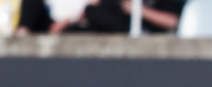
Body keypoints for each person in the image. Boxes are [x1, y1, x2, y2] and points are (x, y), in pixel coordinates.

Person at [16, 0, 179, 34]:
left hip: (114, 26)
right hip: (66, 24)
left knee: (94, 13)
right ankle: (22, 34)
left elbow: (172, 21)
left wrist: (137, 9)